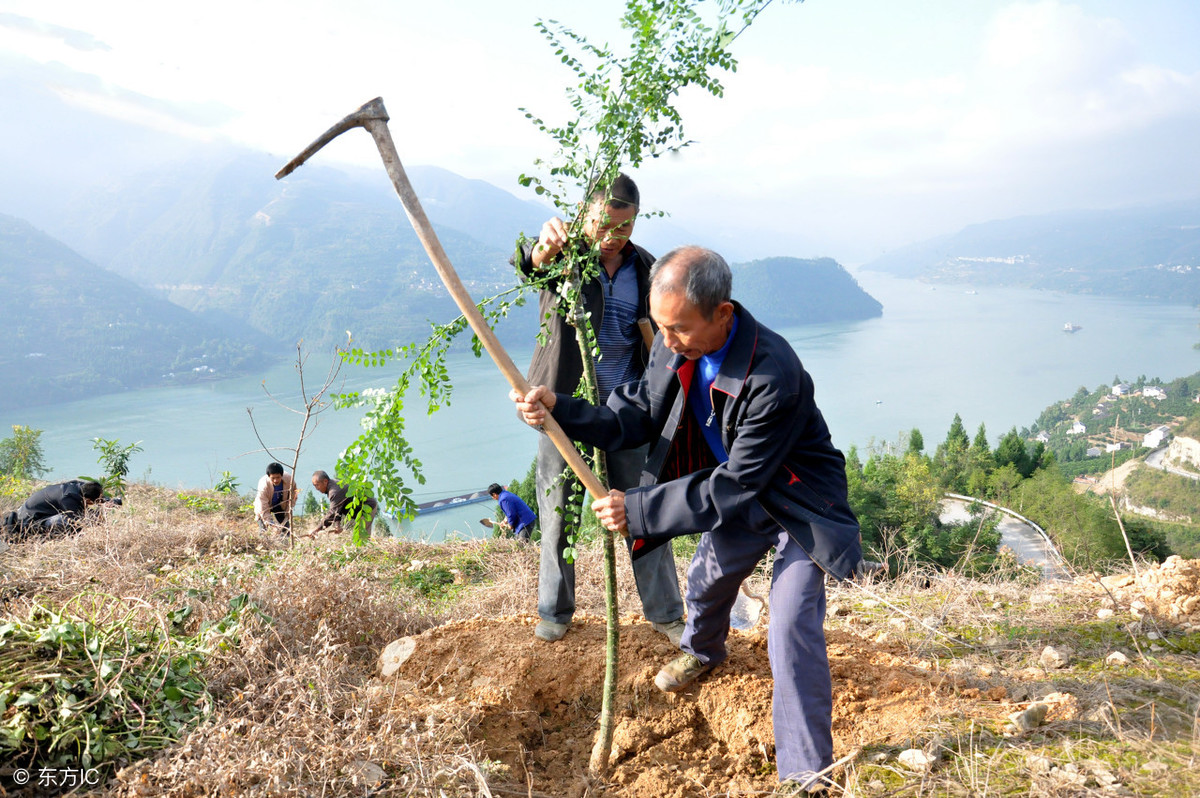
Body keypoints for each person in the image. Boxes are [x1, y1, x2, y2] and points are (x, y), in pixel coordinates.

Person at [510, 246, 863, 792]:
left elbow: (739, 482)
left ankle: (806, 774)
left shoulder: (774, 372)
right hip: (741, 492)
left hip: (798, 503)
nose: (668, 341)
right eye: (660, 326)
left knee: (791, 625)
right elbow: (637, 415)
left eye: (679, 329)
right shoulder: (674, 344)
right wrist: (562, 409)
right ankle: (703, 650)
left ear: (723, 313)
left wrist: (640, 510)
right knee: (706, 579)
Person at [513, 172, 684, 645]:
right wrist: (541, 249)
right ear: (584, 214)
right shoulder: (564, 260)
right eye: (602, 225)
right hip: (562, 411)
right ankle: (554, 611)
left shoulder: (647, 270)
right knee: (557, 515)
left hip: (626, 417)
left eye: (623, 229)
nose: (611, 239)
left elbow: (661, 342)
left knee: (643, 515)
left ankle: (667, 614)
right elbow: (528, 262)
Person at [2, 479, 105, 540]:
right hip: (30, 522)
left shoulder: (77, 486)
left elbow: (89, 498)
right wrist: (98, 516)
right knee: (66, 522)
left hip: (28, 512)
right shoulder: (68, 498)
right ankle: (47, 538)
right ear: (87, 499)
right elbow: (79, 520)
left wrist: (105, 502)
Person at [311, 470, 379, 536]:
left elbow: (332, 513)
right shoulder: (333, 485)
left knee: (361, 537)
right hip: (360, 509)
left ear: (325, 481)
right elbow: (338, 509)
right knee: (361, 536)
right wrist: (337, 525)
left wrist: (317, 529)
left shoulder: (334, 491)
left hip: (367, 508)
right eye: (314, 486)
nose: (316, 488)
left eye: (317, 485)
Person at [254, 462, 298, 534]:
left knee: (286, 530)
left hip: (281, 505)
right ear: (268, 476)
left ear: (282, 475)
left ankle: (285, 543)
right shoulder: (263, 485)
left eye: (278, 477)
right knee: (263, 530)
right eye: (273, 478)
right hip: (265, 507)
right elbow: (263, 505)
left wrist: (288, 511)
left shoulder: (289, 479)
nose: (276, 480)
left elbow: (294, 494)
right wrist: (271, 524)